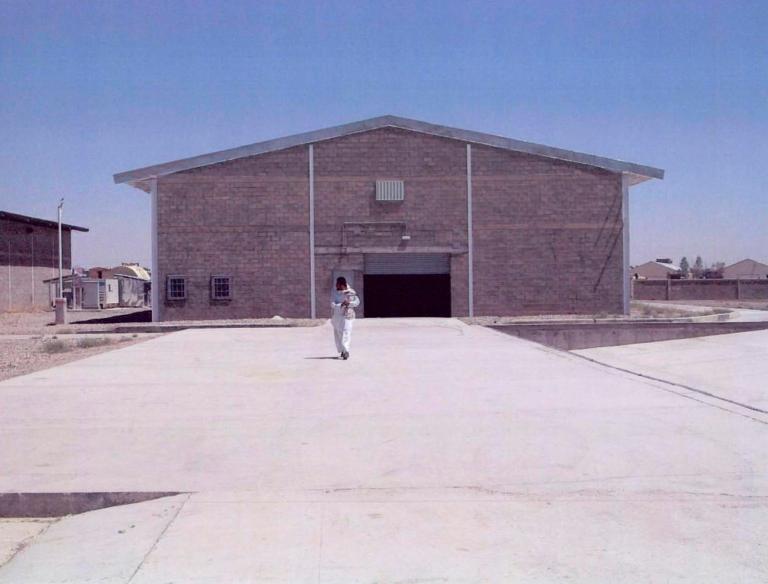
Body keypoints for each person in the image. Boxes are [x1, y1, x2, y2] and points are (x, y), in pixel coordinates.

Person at [331, 276, 360, 360]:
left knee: (346, 333)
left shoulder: (351, 292)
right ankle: (343, 350)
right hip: (336, 317)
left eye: (337, 284)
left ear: (342, 285)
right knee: (339, 334)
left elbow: (357, 302)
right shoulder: (334, 293)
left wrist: (349, 303)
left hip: (347, 316)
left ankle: (346, 351)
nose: (336, 286)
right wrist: (341, 305)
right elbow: (332, 304)